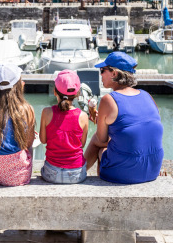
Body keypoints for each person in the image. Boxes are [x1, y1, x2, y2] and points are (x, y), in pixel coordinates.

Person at [84, 52, 164, 184]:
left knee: (95, 141)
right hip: (152, 170)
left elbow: (101, 139)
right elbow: (139, 129)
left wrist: (102, 126)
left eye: (102, 70)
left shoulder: (108, 100)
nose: (100, 74)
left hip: (124, 173)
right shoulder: (147, 95)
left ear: (114, 74)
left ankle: (79, 172)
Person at [0, 64, 35, 186]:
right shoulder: (26, 109)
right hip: (16, 177)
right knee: (28, 148)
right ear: (19, 84)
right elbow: (28, 143)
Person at [40, 70, 88, 184]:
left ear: (55, 92)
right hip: (76, 174)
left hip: (51, 172)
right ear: (77, 94)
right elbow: (82, 144)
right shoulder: (83, 116)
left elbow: (43, 140)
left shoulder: (46, 112)